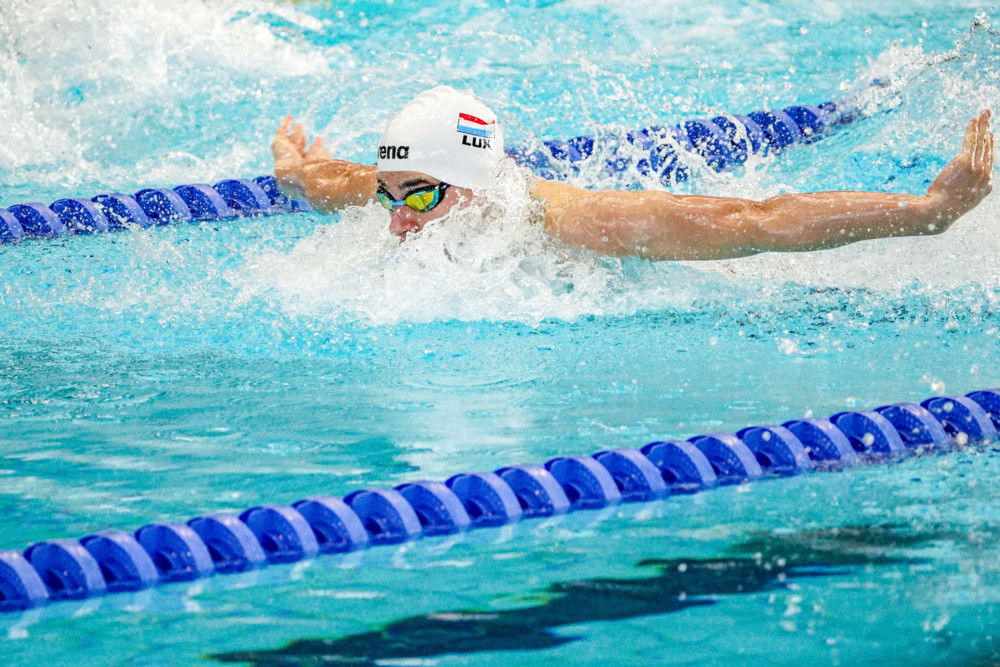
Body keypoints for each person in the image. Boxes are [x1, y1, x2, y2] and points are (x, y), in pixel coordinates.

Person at [272, 86, 994, 261]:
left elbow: (759, 220)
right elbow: (330, 180)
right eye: (389, 194)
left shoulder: (579, 222)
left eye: (421, 196)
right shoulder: (399, 189)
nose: (396, 217)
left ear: (478, 183)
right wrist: (295, 171)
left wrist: (927, 207)